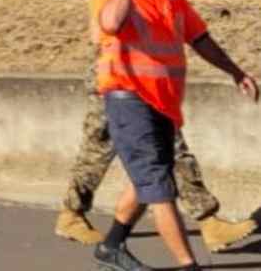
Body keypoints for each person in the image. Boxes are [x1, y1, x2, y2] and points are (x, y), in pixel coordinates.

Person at [89, 0, 258, 271]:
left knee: (150, 177)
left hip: (163, 102)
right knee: (159, 186)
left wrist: (236, 71)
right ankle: (187, 265)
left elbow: (199, 38)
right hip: (128, 98)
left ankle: (111, 246)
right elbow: (111, 24)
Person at [54, 53, 258, 252]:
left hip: (148, 78)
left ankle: (208, 222)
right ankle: (73, 214)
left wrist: (235, 72)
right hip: (117, 77)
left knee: (167, 148)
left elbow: (195, 36)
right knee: (101, 149)